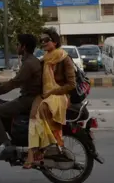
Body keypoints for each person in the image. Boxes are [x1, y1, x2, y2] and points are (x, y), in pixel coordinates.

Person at [24, 28, 76, 169]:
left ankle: (43, 148)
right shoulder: (45, 59)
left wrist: (53, 91)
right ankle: (33, 150)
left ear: (55, 41)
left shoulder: (64, 58)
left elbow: (71, 84)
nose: (43, 43)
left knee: (42, 109)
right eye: (41, 41)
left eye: (46, 40)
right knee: (33, 113)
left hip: (60, 95)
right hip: (45, 94)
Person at [0, 34, 42, 161]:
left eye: (18, 44)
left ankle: (6, 147)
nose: (16, 47)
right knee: (2, 106)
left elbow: (14, 84)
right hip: (32, 98)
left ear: (24, 47)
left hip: (28, 100)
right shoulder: (32, 60)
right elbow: (16, 81)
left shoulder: (29, 64)